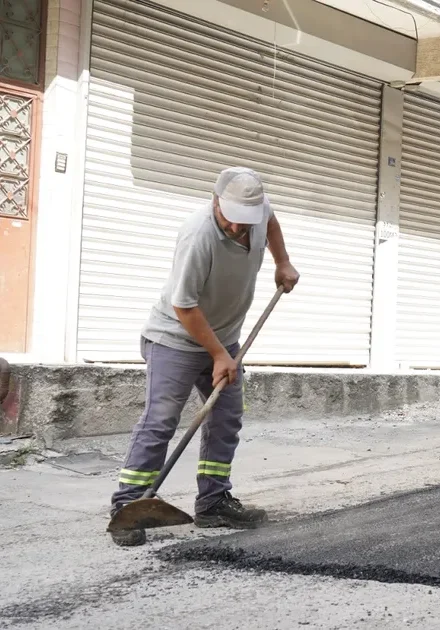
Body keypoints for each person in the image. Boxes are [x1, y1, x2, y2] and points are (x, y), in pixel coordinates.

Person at [108, 166, 300, 547]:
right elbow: (184, 305)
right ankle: (127, 507)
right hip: (175, 340)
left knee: (225, 420)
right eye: (230, 220)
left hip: (225, 339)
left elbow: (272, 221)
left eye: (245, 223)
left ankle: (212, 502)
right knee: (160, 421)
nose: (236, 230)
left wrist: (282, 261)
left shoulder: (257, 212)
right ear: (216, 202)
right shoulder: (199, 235)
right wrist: (218, 355)